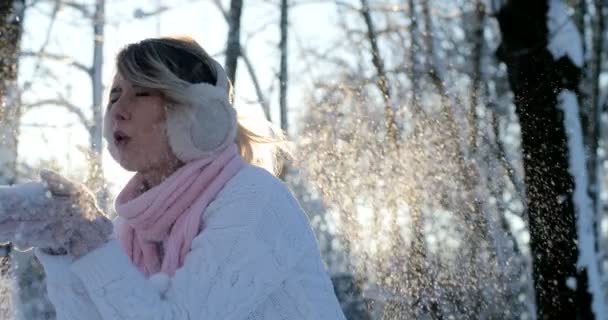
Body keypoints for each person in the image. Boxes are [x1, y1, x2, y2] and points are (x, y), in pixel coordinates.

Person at [0, 36, 346, 319]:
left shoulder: (254, 199)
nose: (118, 109)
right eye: (115, 94)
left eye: (142, 92)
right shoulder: (132, 227)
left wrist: (90, 238)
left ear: (194, 115)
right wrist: (65, 247)